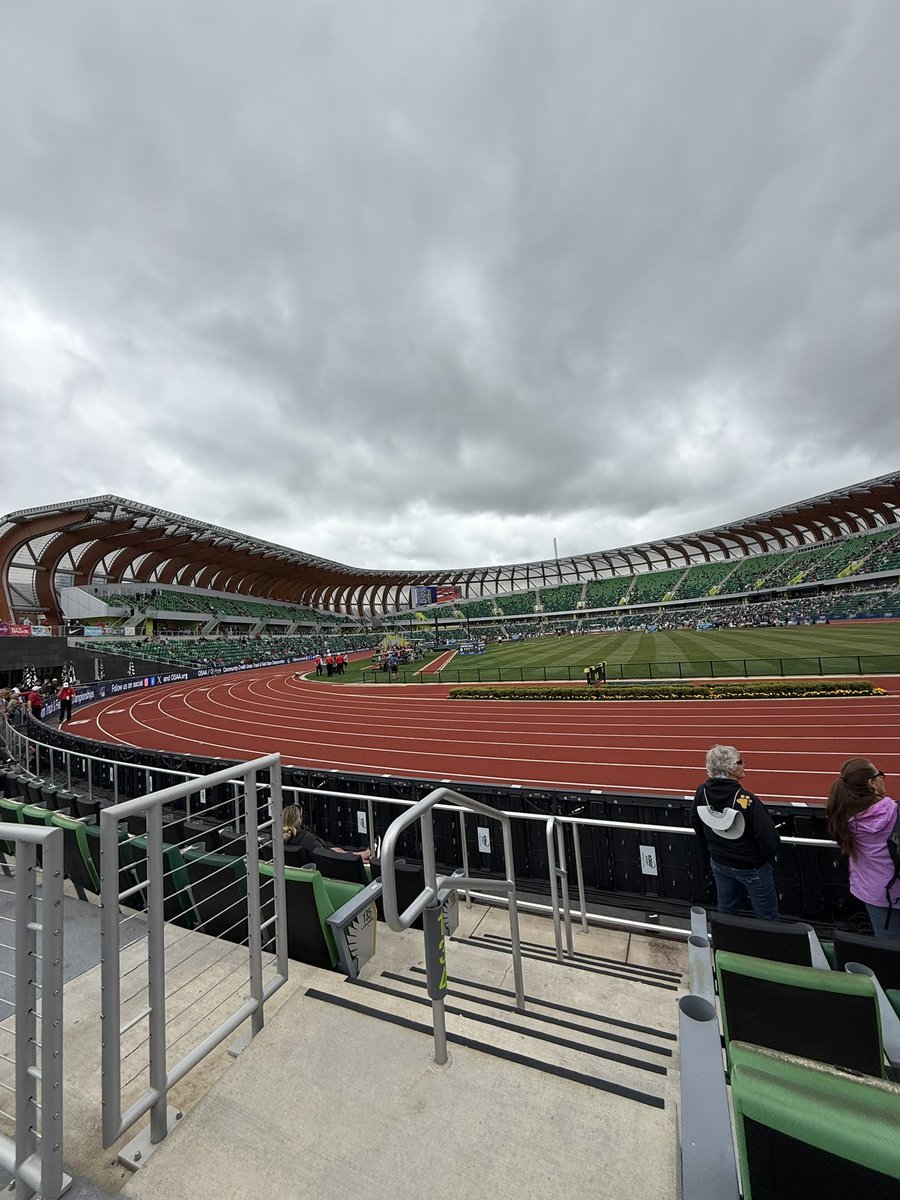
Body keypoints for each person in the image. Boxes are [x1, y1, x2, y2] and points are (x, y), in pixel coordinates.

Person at [691, 744, 781, 920]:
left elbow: (696, 823)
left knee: (726, 911)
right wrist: (761, 858)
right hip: (751, 867)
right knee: (767, 917)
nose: (743, 764)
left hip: (719, 862)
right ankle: (770, 945)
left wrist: (714, 847)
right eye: (740, 761)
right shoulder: (747, 800)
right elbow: (769, 839)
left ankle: (727, 944)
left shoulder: (702, 792)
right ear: (730, 768)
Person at [826, 758, 900, 940]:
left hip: (873, 894)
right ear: (871, 783)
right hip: (894, 890)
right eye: (880, 775)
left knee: (888, 947)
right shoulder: (894, 812)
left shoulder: (843, 818)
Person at [281, 804, 371, 863]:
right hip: (326, 865)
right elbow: (324, 857)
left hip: (312, 863)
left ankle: (365, 854)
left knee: (338, 850)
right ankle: (365, 858)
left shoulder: (280, 838)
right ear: (299, 820)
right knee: (338, 852)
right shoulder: (307, 838)